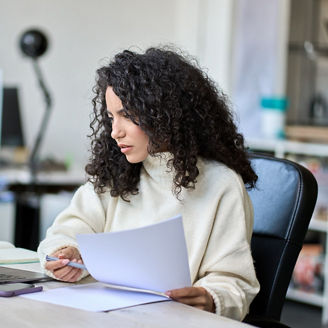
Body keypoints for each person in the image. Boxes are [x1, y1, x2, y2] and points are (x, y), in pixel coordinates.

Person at [38, 46, 260, 321]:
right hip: (109, 317)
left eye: (128, 115)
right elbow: (65, 232)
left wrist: (212, 298)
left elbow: (234, 282)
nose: (115, 131)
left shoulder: (221, 185)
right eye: (110, 117)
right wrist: (65, 253)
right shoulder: (117, 173)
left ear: (165, 114)